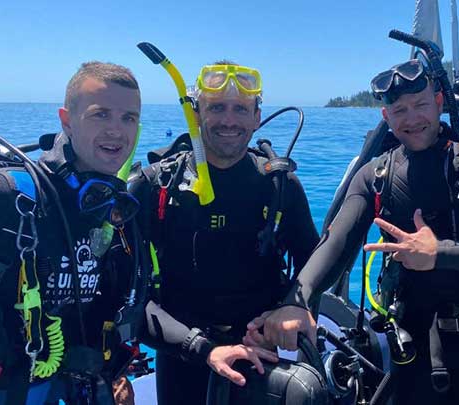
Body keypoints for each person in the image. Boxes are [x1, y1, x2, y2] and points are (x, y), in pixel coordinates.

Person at [249, 59, 459, 403]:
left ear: (438, 103)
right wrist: (295, 302)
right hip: (411, 346)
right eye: (399, 110)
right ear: (386, 117)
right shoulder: (377, 176)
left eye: (420, 105)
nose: (412, 119)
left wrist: (440, 253)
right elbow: (336, 242)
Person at [130, 61, 320, 404]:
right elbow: (126, 292)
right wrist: (197, 347)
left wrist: (291, 309)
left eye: (240, 109)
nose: (229, 120)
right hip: (181, 353)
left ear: (257, 117)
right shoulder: (155, 186)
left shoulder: (279, 186)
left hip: (260, 354)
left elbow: (314, 268)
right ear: (197, 114)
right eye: (216, 107)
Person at [0, 61, 147, 404]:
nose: (117, 130)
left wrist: (113, 371)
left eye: (129, 118)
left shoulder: (115, 211)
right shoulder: (3, 196)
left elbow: (113, 305)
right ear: (66, 120)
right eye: (101, 114)